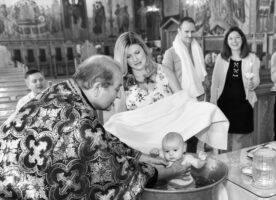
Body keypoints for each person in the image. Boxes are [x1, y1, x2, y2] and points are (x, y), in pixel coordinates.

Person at [0, 55, 191, 200]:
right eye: (116, 89)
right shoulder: (79, 122)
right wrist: (172, 171)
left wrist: (140, 155)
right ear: (98, 87)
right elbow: (119, 175)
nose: (118, 96)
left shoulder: (61, 90)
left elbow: (102, 136)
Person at [104, 32, 229, 155]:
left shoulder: (163, 71)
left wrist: (205, 110)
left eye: (137, 52)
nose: (135, 59)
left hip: (172, 144)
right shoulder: (121, 85)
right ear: (123, 60)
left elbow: (184, 102)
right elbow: (122, 122)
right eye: (128, 56)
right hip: (145, 147)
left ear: (144, 50)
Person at [162, 17, 209, 153]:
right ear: (179, 31)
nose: (190, 35)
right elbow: (165, 79)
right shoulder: (170, 53)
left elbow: (201, 75)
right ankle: (183, 171)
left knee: (195, 140)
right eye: (186, 31)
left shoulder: (197, 49)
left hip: (199, 100)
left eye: (192, 31)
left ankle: (193, 169)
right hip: (182, 104)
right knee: (183, 141)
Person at [210, 26, 260, 151]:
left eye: (237, 37)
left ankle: (235, 167)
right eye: (230, 38)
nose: (234, 41)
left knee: (238, 138)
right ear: (227, 41)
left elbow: (257, 80)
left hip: (243, 104)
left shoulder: (252, 58)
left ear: (242, 39)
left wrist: (253, 84)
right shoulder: (221, 58)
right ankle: (223, 166)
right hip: (224, 104)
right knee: (223, 137)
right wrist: (213, 102)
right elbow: (214, 82)